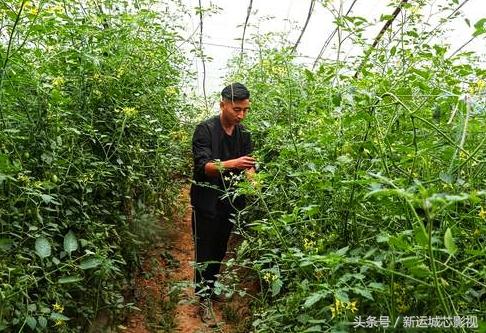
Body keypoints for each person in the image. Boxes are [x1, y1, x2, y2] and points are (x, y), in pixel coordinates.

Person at [190, 82, 255, 323]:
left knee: (220, 247)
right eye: (237, 109)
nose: (241, 115)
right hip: (206, 201)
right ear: (223, 105)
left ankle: (212, 286)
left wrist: (254, 181)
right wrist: (233, 164)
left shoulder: (244, 134)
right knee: (204, 248)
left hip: (231, 202)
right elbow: (204, 167)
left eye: (245, 110)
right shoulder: (204, 130)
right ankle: (203, 297)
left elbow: (249, 166)